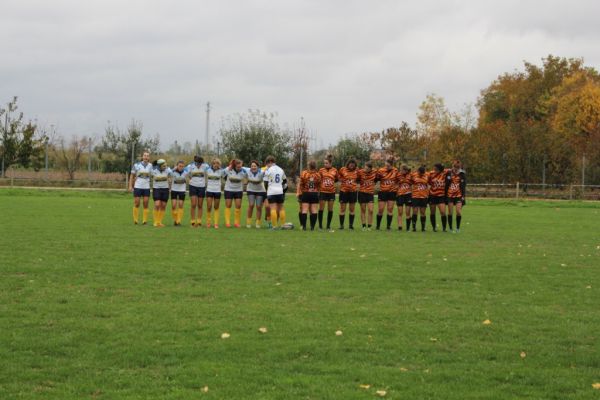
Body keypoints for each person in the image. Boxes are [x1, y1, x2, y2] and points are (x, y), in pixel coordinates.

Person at [129, 151, 152, 225]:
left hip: (146, 187)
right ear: (142, 157)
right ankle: (135, 220)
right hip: (138, 186)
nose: (146, 157)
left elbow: (155, 174)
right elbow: (132, 176)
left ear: (149, 158)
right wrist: (130, 186)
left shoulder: (151, 166)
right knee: (137, 203)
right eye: (144, 155)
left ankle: (144, 221)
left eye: (147, 156)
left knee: (145, 203)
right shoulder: (136, 165)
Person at [264, 155, 287, 229]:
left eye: (267, 164)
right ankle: (283, 225)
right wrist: (283, 190)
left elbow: (265, 182)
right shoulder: (281, 169)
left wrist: (267, 191)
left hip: (271, 191)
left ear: (270, 162)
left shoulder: (268, 170)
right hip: (280, 191)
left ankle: (274, 226)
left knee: (273, 208)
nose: (267, 166)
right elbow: (285, 181)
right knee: (281, 208)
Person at [223, 159, 247, 228]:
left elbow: (252, 170)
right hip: (228, 190)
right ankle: (227, 222)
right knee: (228, 205)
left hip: (238, 190)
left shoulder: (244, 170)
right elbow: (221, 173)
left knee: (238, 206)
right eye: (238, 167)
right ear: (234, 166)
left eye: (240, 167)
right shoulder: (229, 169)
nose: (239, 168)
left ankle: (237, 223)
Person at [376, 157, 398, 230]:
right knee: (381, 209)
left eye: (388, 166)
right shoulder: (381, 170)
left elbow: (399, 180)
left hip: (392, 192)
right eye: (386, 165)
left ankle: (388, 226)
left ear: (391, 165)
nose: (387, 167)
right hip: (383, 192)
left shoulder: (396, 170)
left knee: (390, 209)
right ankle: (378, 226)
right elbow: (376, 179)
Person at [187, 155, 209, 227]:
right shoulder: (190, 166)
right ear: (195, 162)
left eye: (200, 163)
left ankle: (199, 222)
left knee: (200, 205)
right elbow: (186, 172)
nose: (199, 165)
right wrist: (190, 178)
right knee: (193, 204)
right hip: (193, 186)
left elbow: (211, 170)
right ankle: (193, 222)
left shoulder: (205, 166)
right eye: (198, 163)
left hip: (201, 187)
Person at [445, 160, 467, 233]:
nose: (456, 168)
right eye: (454, 167)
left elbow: (463, 186)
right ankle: (451, 228)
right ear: (452, 166)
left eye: (457, 167)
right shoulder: (448, 173)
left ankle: (458, 228)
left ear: (459, 167)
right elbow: (446, 184)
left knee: (458, 212)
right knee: (450, 212)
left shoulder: (462, 174)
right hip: (450, 195)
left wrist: (463, 196)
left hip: (459, 195)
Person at [299, 160, 321, 231]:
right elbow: (319, 185)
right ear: (315, 166)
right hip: (314, 193)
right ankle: (312, 227)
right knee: (314, 210)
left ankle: (304, 227)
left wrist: (303, 191)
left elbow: (301, 184)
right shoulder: (318, 175)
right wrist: (316, 190)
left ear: (309, 166)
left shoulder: (304, 173)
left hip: (306, 193)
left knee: (304, 210)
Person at [318, 155, 338, 231]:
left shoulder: (335, 170)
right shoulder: (321, 170)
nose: (325, 164)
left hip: (331, 192)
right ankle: (320, 226)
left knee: (330, 209)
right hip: (323, 192)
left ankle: (328, 226)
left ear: (330, 163)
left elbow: (336, 179)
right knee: (321, 209)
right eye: (324, 163)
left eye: (326, 163)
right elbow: (318, 179)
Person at [338, 159, 359, 230]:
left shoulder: (357, 171)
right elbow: (338, 176)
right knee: (342, 209)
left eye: (353, 165)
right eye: (350, 165)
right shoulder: (343, 169)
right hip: (344, 192)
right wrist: (341, 179)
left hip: (353, 192)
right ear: (348, 164)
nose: (352, 166)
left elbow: (360, 178)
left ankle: (351, 225)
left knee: (352, 209)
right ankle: (341, 225)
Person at [245, 160, 266, 228]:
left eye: (255, 166)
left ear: (257, 167)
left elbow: (268, 168)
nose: (253, 167)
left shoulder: (262, 171)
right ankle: (248, 222)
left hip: (260, 190)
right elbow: (238, 166)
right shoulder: (247, 170)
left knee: (259, 206)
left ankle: (258, 223)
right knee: (251, 205)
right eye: (252, 166)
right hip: (250, 189)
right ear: (250, 167)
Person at [151, 159, 172, 228]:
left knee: (163, 205)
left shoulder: (168, 170)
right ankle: (155, 222)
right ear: (159, 166)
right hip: (156, 189)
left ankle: (159, 222)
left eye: (165, 165)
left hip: (165, 189)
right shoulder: (153, 170)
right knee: (157, 205)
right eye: (163, 165)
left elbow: (172, 174)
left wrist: (170, 185)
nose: (165, 166)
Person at [428, 163, 448, 232]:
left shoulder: (445, 173)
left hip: (441, 196)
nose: (434, 170)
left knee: (443, 212)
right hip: (432, 195)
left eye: (436, 169)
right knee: (432, 212)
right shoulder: (431, 174)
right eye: (434, 168)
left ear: (440, 169)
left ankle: (444, 228)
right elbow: (428, 182)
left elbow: (453, 170)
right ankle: (434, 227)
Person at [357, 161, 376, 230]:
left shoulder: (374, 172)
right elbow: (357, 179)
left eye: (368, 169)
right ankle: (364, 226)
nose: (366, 169)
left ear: (371, 169)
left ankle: (369, 226)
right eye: (365, 168)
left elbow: (377, 179)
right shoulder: (360, 172)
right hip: (362, 193)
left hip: (370, 193)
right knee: (363, 210)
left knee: (371, 210)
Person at [205, 158, 224, 229]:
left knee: (216, 207)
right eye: (214, 163)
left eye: (217, 163)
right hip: (209, 190)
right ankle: (208, 222)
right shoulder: (207, 170)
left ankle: (216, 223)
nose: (216, 165)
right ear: (212, 164)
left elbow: (226, 175)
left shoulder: (221, 171)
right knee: (209, 206)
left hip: (217, 191)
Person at [410, 165, 429, 232]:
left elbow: (429, 183)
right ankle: (414, 227)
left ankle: (423, 228)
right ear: (418, 171)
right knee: (415, 211)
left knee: (423, 212)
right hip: (415, 196)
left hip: (424, 196)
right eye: (420, 173)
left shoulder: (427, 175)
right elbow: (410, 183)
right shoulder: (413, 175)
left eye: (422, 173)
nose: (421, 174)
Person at [170, 160, 188, 226]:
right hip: (174, 190)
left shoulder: (186, 172)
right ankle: (175, 220)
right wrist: (173, 169)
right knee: (174, 206)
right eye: (180, 166)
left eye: (182, 166)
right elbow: (168, 172)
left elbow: (191, 173)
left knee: (180, 205)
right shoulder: (173, 172)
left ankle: (179, 221)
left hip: (182, 190)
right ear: (177, 166)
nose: (181, 167)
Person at [396, 164, 413, 231]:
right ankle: (400, 227)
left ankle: (408, 228)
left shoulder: (411, 175)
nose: (400, 171)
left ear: (405, 170)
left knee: (408, 212)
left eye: (402, 170)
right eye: (400, 170)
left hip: (408, 195)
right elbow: (395, 182)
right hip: (400, 195)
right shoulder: (398, 175)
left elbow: (414, 183)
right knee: (400, 212)